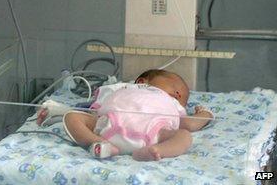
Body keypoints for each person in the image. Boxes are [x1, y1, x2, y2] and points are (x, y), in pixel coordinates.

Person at [37, 69, 214, 161]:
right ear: (142, 81)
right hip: (109, 123)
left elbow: (189, 125)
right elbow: (93, 109)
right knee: (71, 117)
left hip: (155, 131)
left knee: (183, 136)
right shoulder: (126, 88)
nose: (178, 94)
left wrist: (205, 114)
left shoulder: (174, 105)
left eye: (182, 96)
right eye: (174, 86)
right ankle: (99, 143)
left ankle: (157, 151)